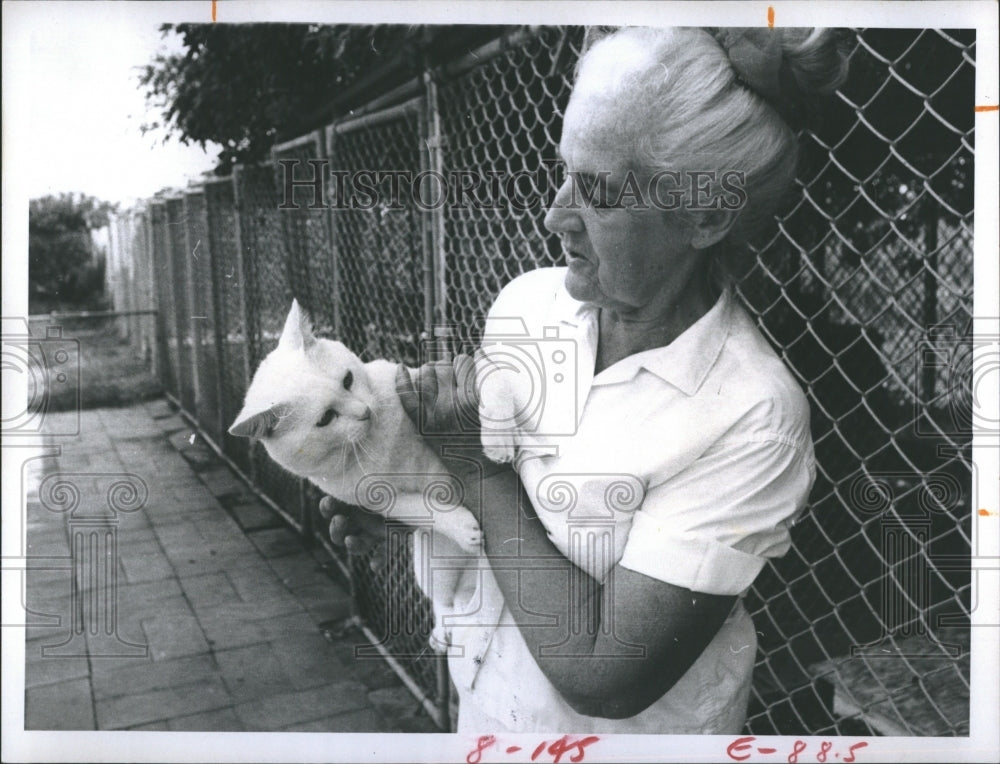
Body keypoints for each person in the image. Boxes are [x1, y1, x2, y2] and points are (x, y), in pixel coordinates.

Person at [321, 25, 848, 733]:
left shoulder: (753, 415)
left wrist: (476, 473)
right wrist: (408, 509)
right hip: (486, 708)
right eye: (564, 170)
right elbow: (494, 530)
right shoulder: (529, 304)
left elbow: (602, 674)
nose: (554, 214)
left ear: (706, 214)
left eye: (597, 191)